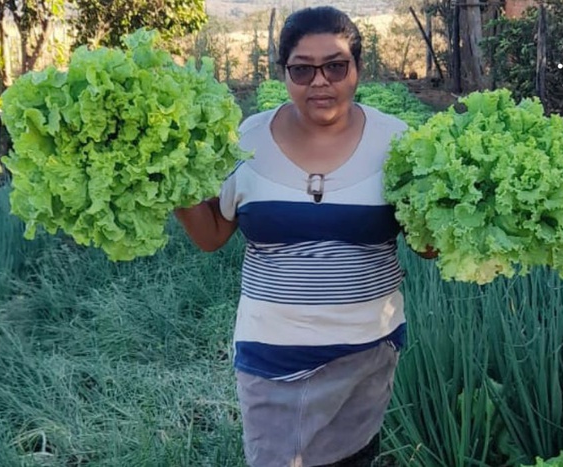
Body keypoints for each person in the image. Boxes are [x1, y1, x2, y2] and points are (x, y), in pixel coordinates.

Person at [174, 6, 436, 466]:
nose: (320, 81)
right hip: (272, 356)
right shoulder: (245, 140)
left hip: (366, 353)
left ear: (358, 68)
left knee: (355, 457)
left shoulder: (399, 142)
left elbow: (426, 246)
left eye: (336, 66)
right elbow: (212, 235)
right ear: (284, 73)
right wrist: (166, 178)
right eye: (302, 69)